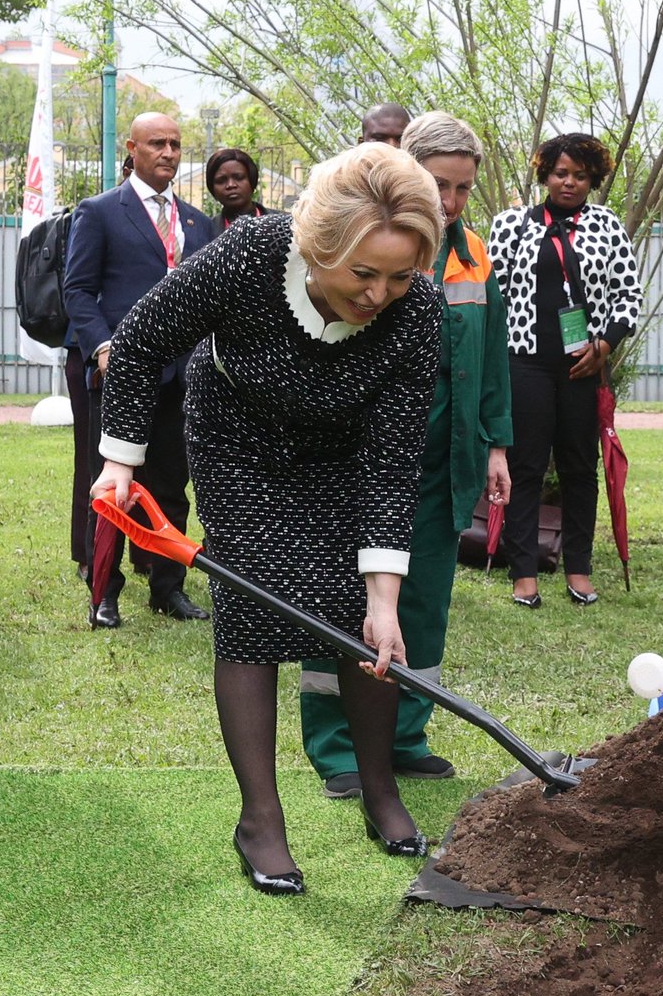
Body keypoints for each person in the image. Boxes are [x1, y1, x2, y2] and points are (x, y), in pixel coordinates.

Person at [93, 142, 447, 890]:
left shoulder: (417, 314)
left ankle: (379, 789)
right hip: (237, 433)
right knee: (252, 603)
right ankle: (260, 819)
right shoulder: (251, 255)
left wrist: (385, 597)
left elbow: (393, 458)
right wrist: (120, 463)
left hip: (344, 445)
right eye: (362, 273)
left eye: (398, 275)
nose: (379, 293)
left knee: (360, 617)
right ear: (319, 247)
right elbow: (140, 343)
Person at [300, 112, 513, 799]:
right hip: (365, 461)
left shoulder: (476, 255)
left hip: (446, 462)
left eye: (463, 189)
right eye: (440, 185)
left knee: (423, 605)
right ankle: (338, 747)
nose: (450, 203)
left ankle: (406, 735)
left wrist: (496, 444)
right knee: (344, 600)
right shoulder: (380, 250)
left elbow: (494, 361)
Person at [64, 112, 215, 628]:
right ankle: (103, 590)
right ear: (132, 147)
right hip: (121, 372)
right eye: (157, 143)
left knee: (173, 484)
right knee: (109, 486)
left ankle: (168, 587)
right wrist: (103, 347)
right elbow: (78, 292)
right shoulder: (101, 212)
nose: (169, 152)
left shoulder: (197, 222)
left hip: (183, 377)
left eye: (176, 143)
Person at [487, 132, 642, 608]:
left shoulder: (607, 226)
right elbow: (494, 296)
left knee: (580, 468)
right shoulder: (511, 225)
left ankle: (579, 568)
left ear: (592, 179)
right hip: (525, 362)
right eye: (560, 173)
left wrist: (605, 344)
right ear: (544, 175)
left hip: (582, 366)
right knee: (525, 467)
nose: (569, 182)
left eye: (579, 175)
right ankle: (523, 573)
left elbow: (629, 297)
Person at [206, 148, 269, 229]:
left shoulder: (285, 224)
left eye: (239, 178)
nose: (231, 185)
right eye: (221, 180)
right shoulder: (206, 232)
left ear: (252, 181)